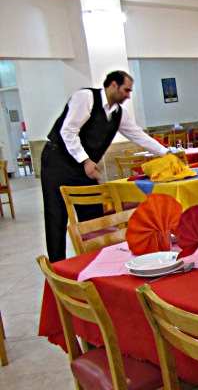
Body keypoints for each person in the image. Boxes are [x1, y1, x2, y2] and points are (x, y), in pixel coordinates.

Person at [41, 70, 168, 262]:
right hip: (57, 161)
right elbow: (68, 131)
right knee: (56, 216)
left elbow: (138, 136)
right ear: (113, 85)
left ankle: (95, 260)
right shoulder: (85, 97)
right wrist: (85, 160)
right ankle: (57, 266)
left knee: (93, 214)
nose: (128, 96)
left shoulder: (119, 113)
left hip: (84, 166)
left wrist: (166, 152)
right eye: (126, 90)